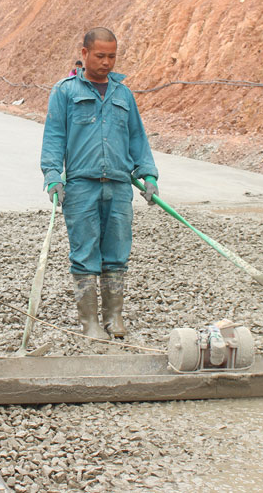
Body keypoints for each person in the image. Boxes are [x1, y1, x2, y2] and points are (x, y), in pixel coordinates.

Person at [40, 27, 159, 340]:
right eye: (100, 56)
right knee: (84, 251)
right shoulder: (65, 92)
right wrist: (52, 176)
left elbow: (137, 137)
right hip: (81, 186)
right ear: (84, 54)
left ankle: (114, 317)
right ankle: (90, 322)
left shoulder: (123, 94)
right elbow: (54, 137)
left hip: (119, 185)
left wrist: (148, 174)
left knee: (118, 250)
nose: (106, 62)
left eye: (112, 56)